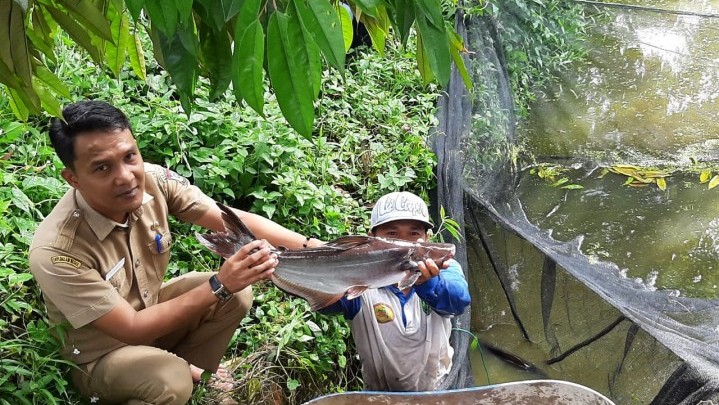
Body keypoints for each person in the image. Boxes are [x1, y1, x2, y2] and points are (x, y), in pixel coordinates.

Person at [28, 100, 321, 404]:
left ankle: (192, 373)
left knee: (236, 296)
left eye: (130, 156)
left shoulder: (152, 181)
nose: (126, 176)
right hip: (102, 356)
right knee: (171, 379)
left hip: (152, 316)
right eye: (102, 167)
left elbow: (228, 219)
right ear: (72, 178)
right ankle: (173, 378)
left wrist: (313, 248)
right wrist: (220, 285)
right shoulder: (56, 251)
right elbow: (131, 328)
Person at [321, 191, 471, 392]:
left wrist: (428, 283)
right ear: (371, 238)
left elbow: (458, 300)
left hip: (438, 393)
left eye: (414, 234)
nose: (406, 244)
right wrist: (274, 269)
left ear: (427, 238)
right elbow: (324, 303)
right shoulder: (357, 281)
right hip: (379, 396)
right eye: (392, 234)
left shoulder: (445, 269)